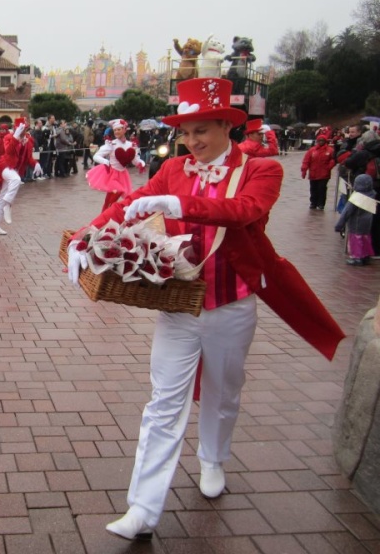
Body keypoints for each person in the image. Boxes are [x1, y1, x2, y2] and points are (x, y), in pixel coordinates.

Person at [66, 77, 344, 541]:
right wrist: (85, 235)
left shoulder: (261, 170)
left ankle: (213, 457)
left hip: (232, 304)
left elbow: (244, 212)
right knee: (163, 403)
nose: (192, 142)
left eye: (202, 132)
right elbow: (132, 203)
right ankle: (143, 507)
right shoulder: (173, 167)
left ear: (226, 128)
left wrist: (177, 202)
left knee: (223, 392)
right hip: (179, 304)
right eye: (186, 133)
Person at [0, 117, 37, 235]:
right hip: (4, 165)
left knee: (3, 193)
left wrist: (36, 164)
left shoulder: (27, 139)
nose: (24, 130)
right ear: (15, 128)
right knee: (16, 179)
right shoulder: (8, 137)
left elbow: (28, 157)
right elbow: (8, 151)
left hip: (13, 168)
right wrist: (16, 137)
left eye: (25, 128)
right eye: (21, 128)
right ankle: (7, 204)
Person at [86, 119, 146, 211]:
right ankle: (105, 217)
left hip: (123, 176)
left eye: (119, 129)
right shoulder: (111, 144)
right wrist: (106, 162)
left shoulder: (131, 145)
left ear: (125, 130)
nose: (116, 132)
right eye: (115, 130)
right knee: (115, 194)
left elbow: (134, 160)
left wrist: (141, 163)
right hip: (112, 175)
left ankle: (107, 216)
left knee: (114, 200)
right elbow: (96, 156)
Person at [335, 173, 376, 265]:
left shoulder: (356, 197)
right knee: (365, 238)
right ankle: (365, 255)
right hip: (367, 222)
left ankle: (357, 257)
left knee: (355, 240)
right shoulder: (372, 194)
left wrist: (339, 225)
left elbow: (346, 212)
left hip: (356, 223)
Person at [301, 135, 335, 210]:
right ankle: (313, 203)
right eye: (320, 140)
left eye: (323, 140)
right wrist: (304, 170)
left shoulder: (330, 150)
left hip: (324, 174)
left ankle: (321, 204)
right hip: (313, 174)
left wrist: (329, 167)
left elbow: (333, 160)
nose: (321, 142)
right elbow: (306, 161)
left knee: (322, 189)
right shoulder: (312, 150)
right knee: (313, 189)